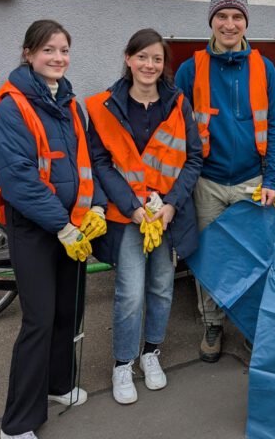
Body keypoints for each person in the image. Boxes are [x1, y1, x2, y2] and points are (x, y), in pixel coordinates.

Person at [0, 20, 108, 439]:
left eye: (64, 50)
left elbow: (89, 160)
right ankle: (17, 424)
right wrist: (62, 225)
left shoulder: (70, 103)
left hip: (72, 224)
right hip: (36, 230)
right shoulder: (11, 107)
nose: (58, 58)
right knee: (38, 321)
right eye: (48, 51)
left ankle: (58, 386)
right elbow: (19, 178)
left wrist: (98, 209)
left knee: (66, 312)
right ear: (28, 54)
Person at [86, 28, 203, 405]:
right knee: (130, 293)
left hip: (167, 216)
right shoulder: (105, 106)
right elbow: (100, 162)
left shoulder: (178, 103)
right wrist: (132, 208)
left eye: (156, 59)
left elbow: (193, 158)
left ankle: (151, 352)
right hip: (129, 217)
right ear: (128, 58)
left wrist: (170, 205)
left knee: (161, 288)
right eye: (142, 57)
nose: (149, 65)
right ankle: (123, 363)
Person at [175, 0, 275, 362]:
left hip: (253, 182)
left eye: (237, 17)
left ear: (246, 22)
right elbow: (178, 131)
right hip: (208, 181)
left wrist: (271, 181)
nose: (229, 24)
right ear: (211, 21)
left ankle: (255, 325)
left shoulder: (263, 67)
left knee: (258, 257)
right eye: (222, 16)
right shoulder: (191, 69)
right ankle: (213, 324)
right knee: (211, 258)